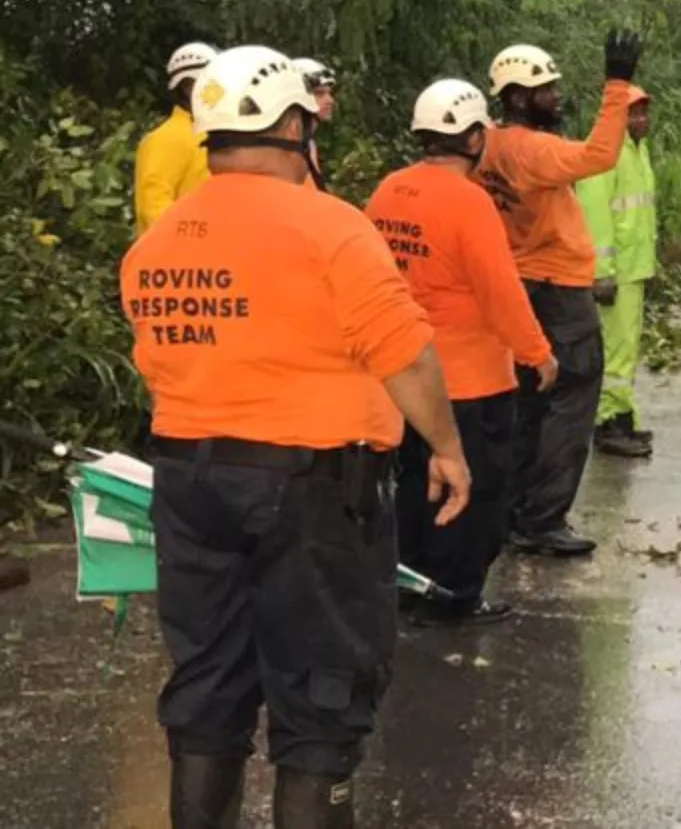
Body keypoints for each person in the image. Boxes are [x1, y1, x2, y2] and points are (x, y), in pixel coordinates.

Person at [121, 45, 470, 828]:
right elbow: (407, 356)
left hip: (189, 486)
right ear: (292, 125)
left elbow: (159, 361)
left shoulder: (157, 243)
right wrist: (446, 447)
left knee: (207, 682)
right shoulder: (331, 228)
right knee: (321, 695)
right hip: (310, 493)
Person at [367, 80, 559, 626]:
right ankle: (455, 596)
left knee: (411, 484)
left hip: (402, 374)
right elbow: (501, 292)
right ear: (473, 137)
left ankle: (409, 582)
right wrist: (537, 354)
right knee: (472, 489)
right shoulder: (469, 203)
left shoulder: (387, 192)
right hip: (471, 382)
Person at [478, 32, 641, 557]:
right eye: (547, 90)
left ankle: (512, 511)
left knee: (528, 402)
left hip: (519, 284)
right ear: (519, 98)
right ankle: (544, 519)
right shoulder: (534, 149)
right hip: (559, 291)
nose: (557, 97)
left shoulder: (488, 144)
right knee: (571, 401)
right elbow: (600, 154)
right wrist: (618, 83)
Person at [577, 86, 658, 459]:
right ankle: (609, 424)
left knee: (626, 351)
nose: (641, 120)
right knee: (615, 354)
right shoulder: (605, 156)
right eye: (633, 114)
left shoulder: (636, 152)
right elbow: (595, 218)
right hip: (617, 274)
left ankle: (623, 417)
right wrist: (601, 273)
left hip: (633, 270)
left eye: (644, 113)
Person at [133, 41, 217, 233]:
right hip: (184, 257)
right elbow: (153, 207)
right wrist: (197, 239)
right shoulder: (166, 138)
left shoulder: (214, 133)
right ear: (187, 87)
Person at [292, 58, 337, 190]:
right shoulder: (287, 150)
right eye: (319, 93)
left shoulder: (308, 145)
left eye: (329, 93)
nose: (330, 100)